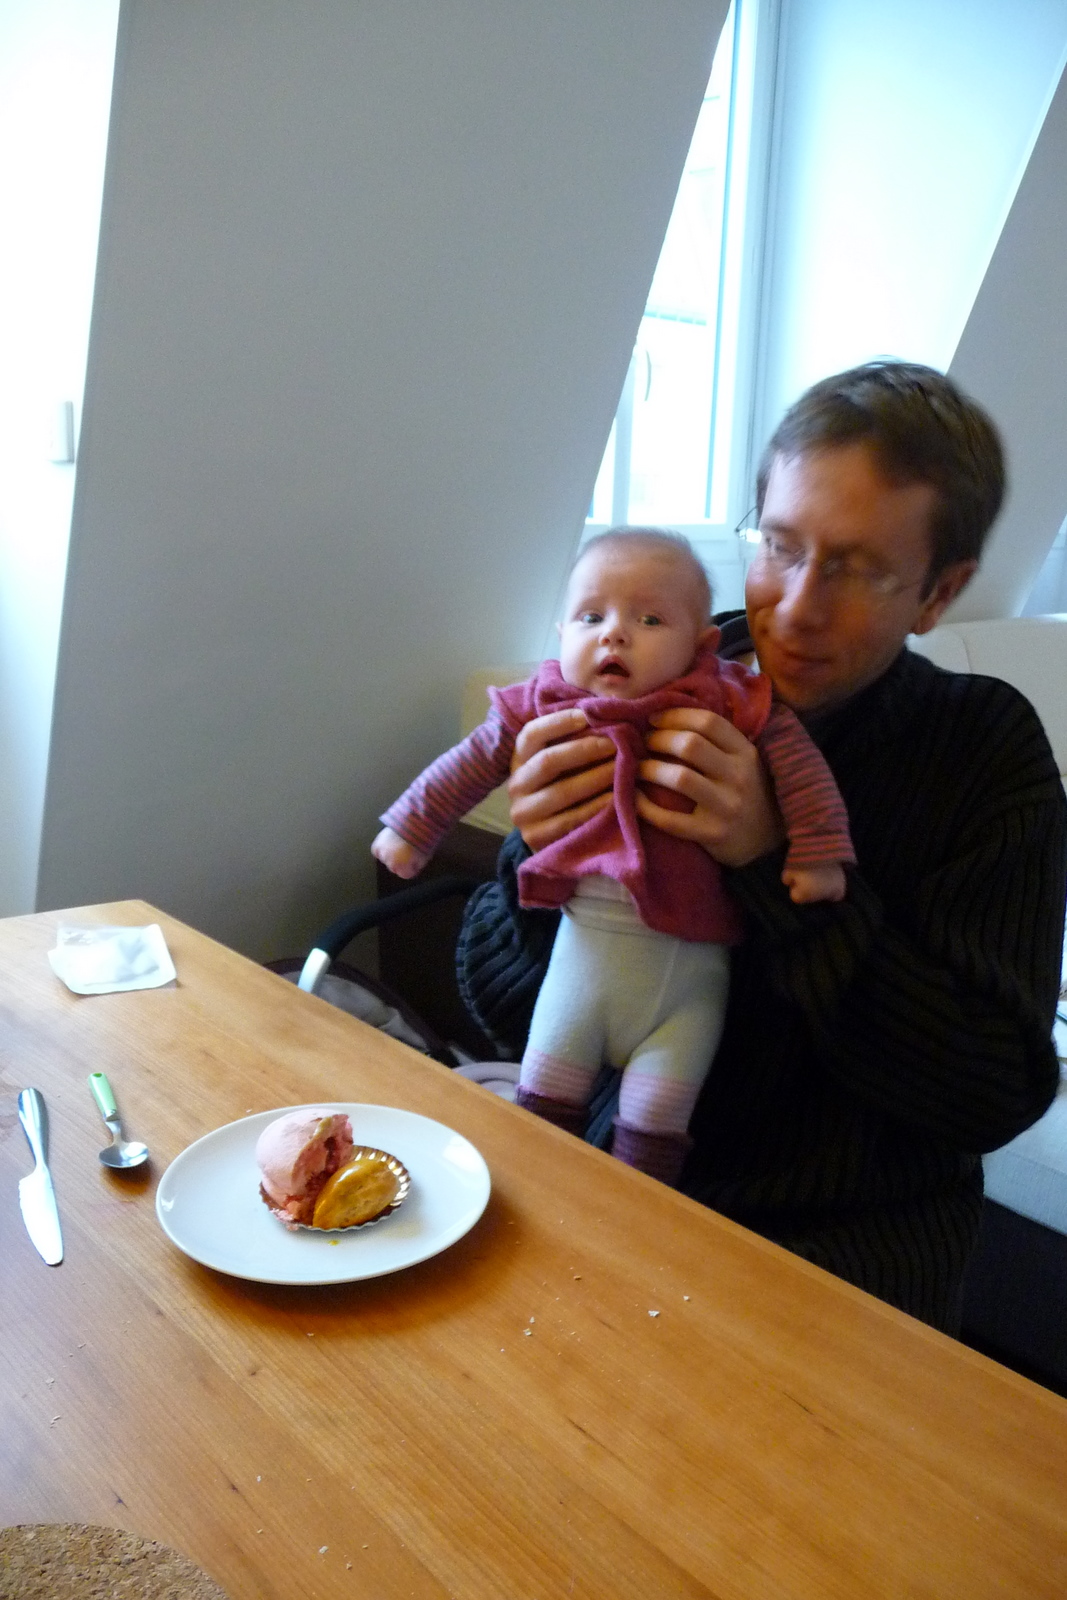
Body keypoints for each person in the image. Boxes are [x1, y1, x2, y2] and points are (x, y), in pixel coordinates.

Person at [456, 360, 1067, 1333]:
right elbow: (499, 1005)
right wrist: (541, 857)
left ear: (937, 593)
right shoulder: (656, 670)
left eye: (857, 569)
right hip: (610, 1191)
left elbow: (988, 1091)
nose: (795, 607)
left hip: (842, 1262)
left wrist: (775, 864)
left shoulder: (982, 752)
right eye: (779, 546)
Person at [374, 530, 854, 1181]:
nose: (614, 635)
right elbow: (469, 762)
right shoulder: (546, 704)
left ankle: (632, 1209)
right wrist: (412, 826)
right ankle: (544, 1194)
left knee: (655, 1126)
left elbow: (802, 774)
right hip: (579, 960)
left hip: (692, 978)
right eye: (590, 617)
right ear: (561, 633)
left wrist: (815, 853)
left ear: (701, 645)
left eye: (649, 620)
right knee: (545, 1101)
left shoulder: (730, 699)